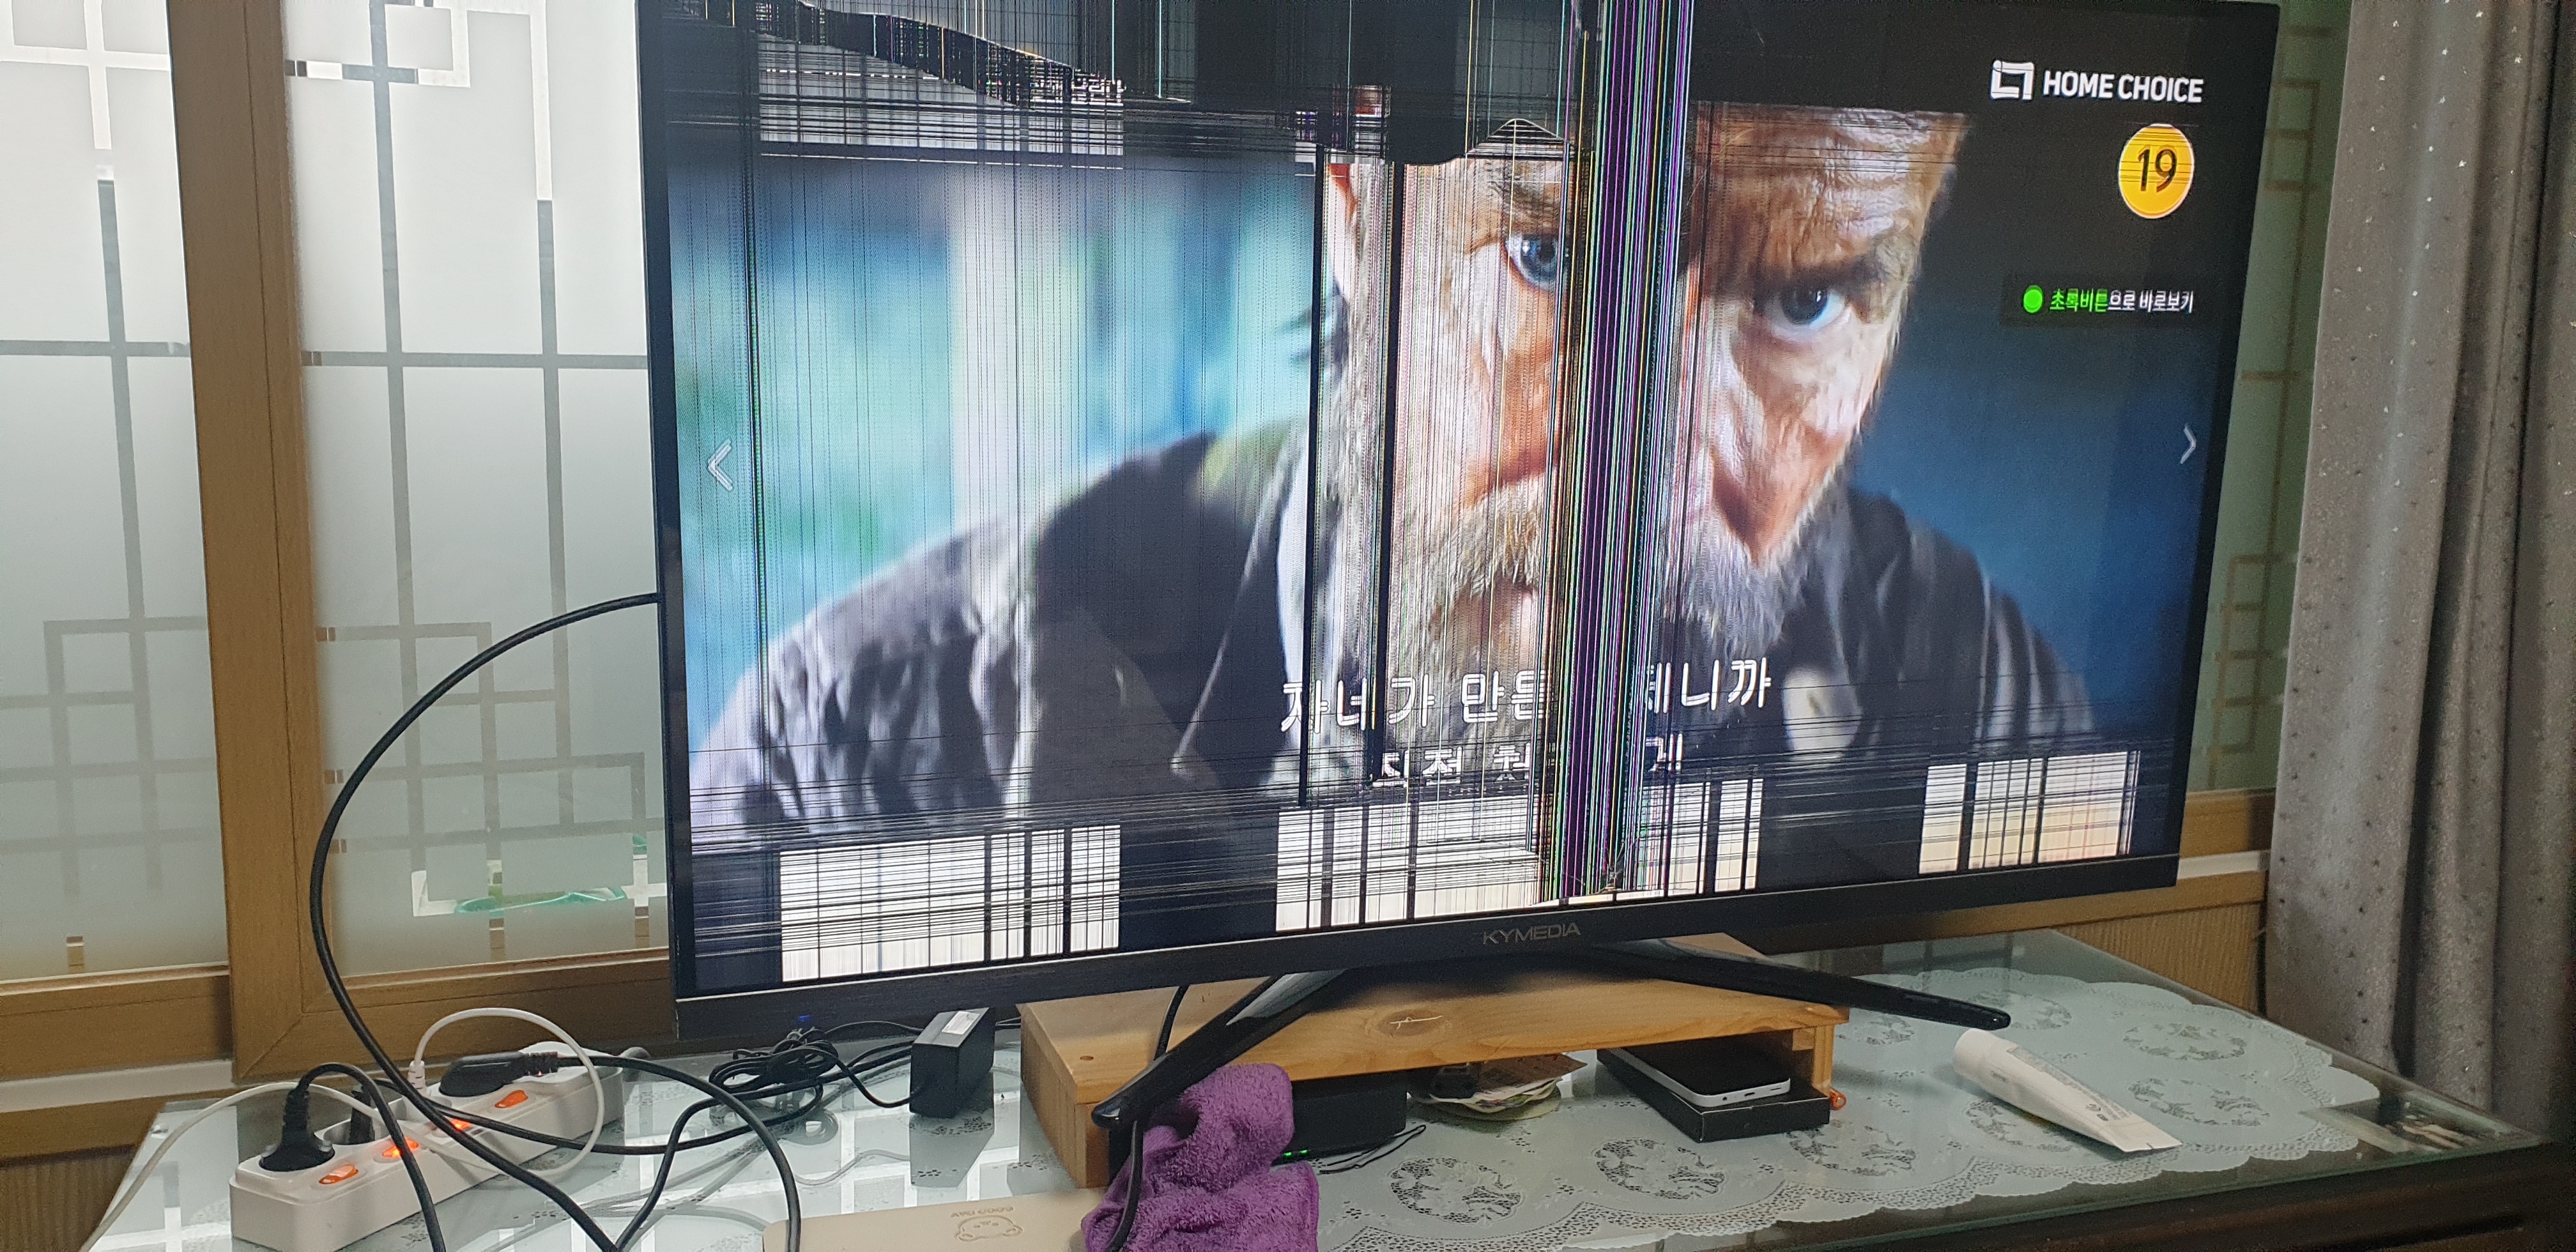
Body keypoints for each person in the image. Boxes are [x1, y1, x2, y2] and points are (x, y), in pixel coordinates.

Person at [690, 103, 2088, 957]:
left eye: (1804, 303)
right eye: (1552, 258)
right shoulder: (868, 733)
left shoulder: (1971, 679)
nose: (1646, 479)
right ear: (1356, 210)